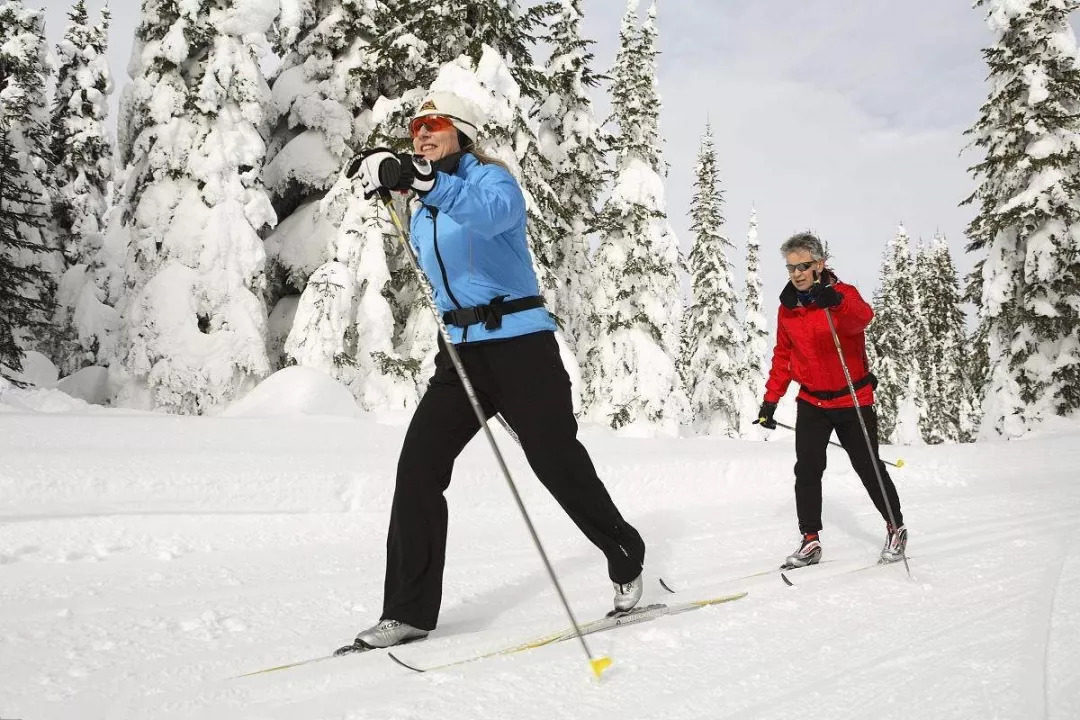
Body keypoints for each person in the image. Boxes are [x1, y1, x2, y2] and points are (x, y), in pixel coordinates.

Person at [335, 92, 646, 653]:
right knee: (418, 469)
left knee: (555, 461)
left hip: (521, 345)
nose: (421, 135)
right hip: (458, 353)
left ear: (461, 132)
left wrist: (430, 185)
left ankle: (625, 552)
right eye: (414, 129)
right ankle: (407, 612)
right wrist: (384, 174)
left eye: (433, 126)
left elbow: (490, 215)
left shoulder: (492, 183)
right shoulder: (427, 201)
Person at [754, 232, 907, 570]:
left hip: (852, 398)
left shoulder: (843, 295)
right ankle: (810, 541)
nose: (797, 273)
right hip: (812, 402)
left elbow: (863, 318)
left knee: (867, 466)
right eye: (791, 267)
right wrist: (770, 401)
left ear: (819, 265)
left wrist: (835, 301)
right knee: (807, 470)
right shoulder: (788, 309)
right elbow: (783, 356)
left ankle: (896, 528)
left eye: (803, 266)